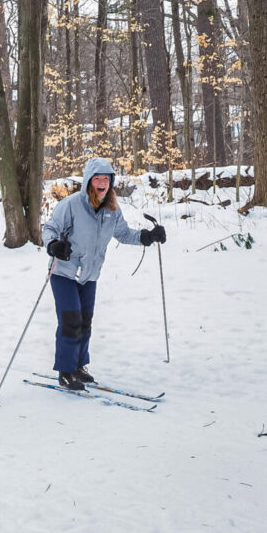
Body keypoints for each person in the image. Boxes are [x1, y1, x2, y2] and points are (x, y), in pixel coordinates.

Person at [41, 157, 166, 390]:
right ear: (89, 181)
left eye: (106, 179)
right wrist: (54, 245)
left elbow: (124, 234)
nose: (102, 183)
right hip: (64, 272)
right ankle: (66, 371)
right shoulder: (71, 205)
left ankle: (78, 366)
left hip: (90, 275)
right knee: (71, 321)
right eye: (97, 178)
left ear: (111, 182)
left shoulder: (112, 210)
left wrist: (148, 236)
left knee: (85, 322)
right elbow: (50, 229)